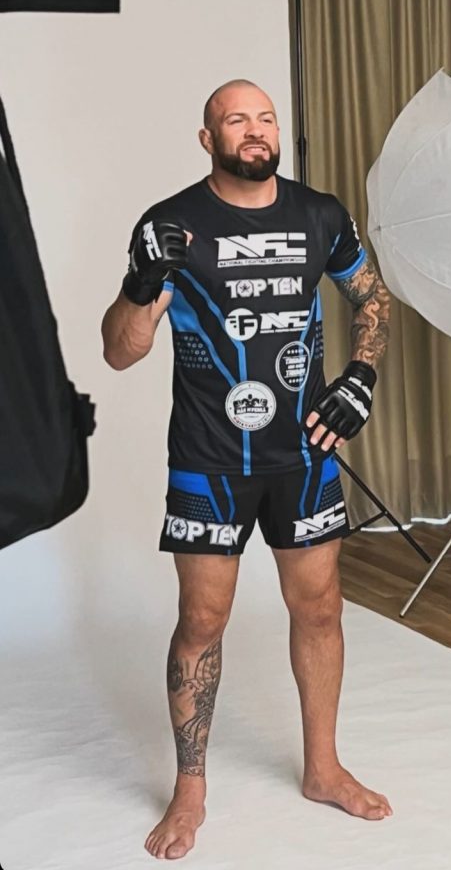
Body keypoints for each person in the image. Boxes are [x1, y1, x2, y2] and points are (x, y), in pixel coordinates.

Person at [101, 79, 392, 861]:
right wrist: (139, 287)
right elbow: (119, 351)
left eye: (265, 118)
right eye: (237, 119)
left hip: (303, 454)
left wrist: (360, 377)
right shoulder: (170, 225)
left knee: (319, 608)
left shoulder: (319, 215)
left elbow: (371, 299)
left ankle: (322, 769)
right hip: (208, 459)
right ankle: (190, 789)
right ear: (208, 139)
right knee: (202, 620)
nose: (255, 130)